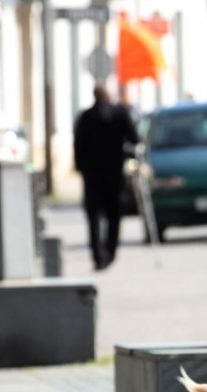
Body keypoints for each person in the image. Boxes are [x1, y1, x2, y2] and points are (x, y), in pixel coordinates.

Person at [73, 85, 138, 270]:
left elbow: (78, 145)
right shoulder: (120, 113)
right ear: (108, 96)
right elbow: (134, 139)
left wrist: (81, 168)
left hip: (92, 174)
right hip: (114, 173)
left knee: (93, 216)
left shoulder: (86, 117)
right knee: (114, 214)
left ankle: (97, 255)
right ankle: (110, 250)